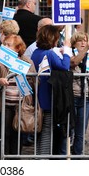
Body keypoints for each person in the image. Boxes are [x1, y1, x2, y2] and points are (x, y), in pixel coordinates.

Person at [31, 25, 72, 155]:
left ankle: (40, 155)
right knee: (47, 130)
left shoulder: (36, 52)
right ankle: (43, 157)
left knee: (41, 129)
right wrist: (66, 51)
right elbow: (65, 66)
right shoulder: (49, 54)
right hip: (47, 97)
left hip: (39, 95)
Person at [0, 34, 36, 155]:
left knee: (18, 132)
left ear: (17, 48)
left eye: (8, 45)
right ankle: (3, 157)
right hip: (5, 103)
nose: (5, 47)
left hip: (20, 103)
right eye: (4, 44)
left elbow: (34, 81)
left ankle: (15, 158)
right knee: (5, 132)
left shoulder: (27, 61)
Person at [70, 31, 89, 155]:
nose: (83, 43)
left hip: (85, 97)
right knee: (70, 129)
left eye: (85, 40)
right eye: (80, 41)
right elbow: (75, 62)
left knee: (81, 131)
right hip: (72, 95)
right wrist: (87, 47)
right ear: (74, 43)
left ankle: (78, 155)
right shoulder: (70, 53)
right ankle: (67, 154)